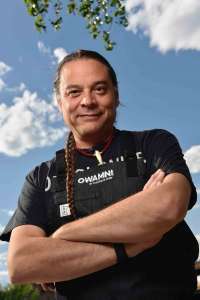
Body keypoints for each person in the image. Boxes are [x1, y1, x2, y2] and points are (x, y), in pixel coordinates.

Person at [0, 50, 199, 300]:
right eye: (74, 92)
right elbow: (22, 263)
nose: (87, 101)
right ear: (60, 102)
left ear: (115, 95)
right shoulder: (41, 178)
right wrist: (131, 244)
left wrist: (61, 236)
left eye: (99, 89)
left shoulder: (153, 143)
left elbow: (168, 206)